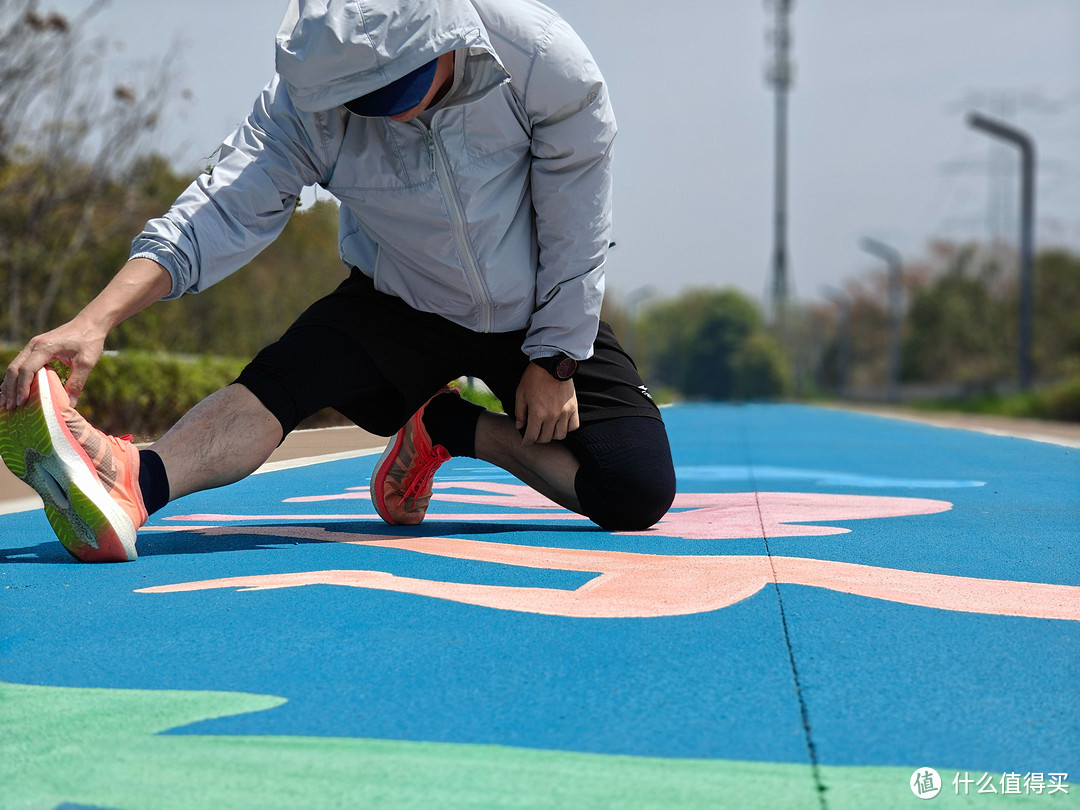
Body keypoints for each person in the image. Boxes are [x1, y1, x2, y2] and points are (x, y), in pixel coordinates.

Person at [0, 0, 676, 563]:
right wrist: (96, 319)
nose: (390, 113)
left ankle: (448, 425)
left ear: (443, 36)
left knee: (635, 492)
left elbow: (577, 221)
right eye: (367, 101)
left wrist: (554, 355)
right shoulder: (308, 101)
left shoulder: (540, 59)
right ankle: (133, 480)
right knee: (277, 387)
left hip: (534, 308)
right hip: (398, 301)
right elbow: (215, 211)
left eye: (402, 89)